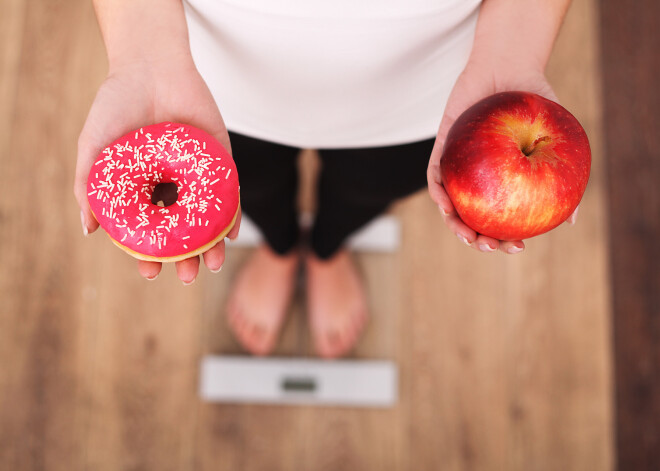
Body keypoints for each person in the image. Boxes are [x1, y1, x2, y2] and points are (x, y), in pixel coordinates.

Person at [74, 0, 577, 358]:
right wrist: (141, 53)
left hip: (433, 89)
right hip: (203, 80)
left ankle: (327, 249)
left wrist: (514, 50)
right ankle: (279, 244)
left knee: (368, 188)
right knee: (253, 187)